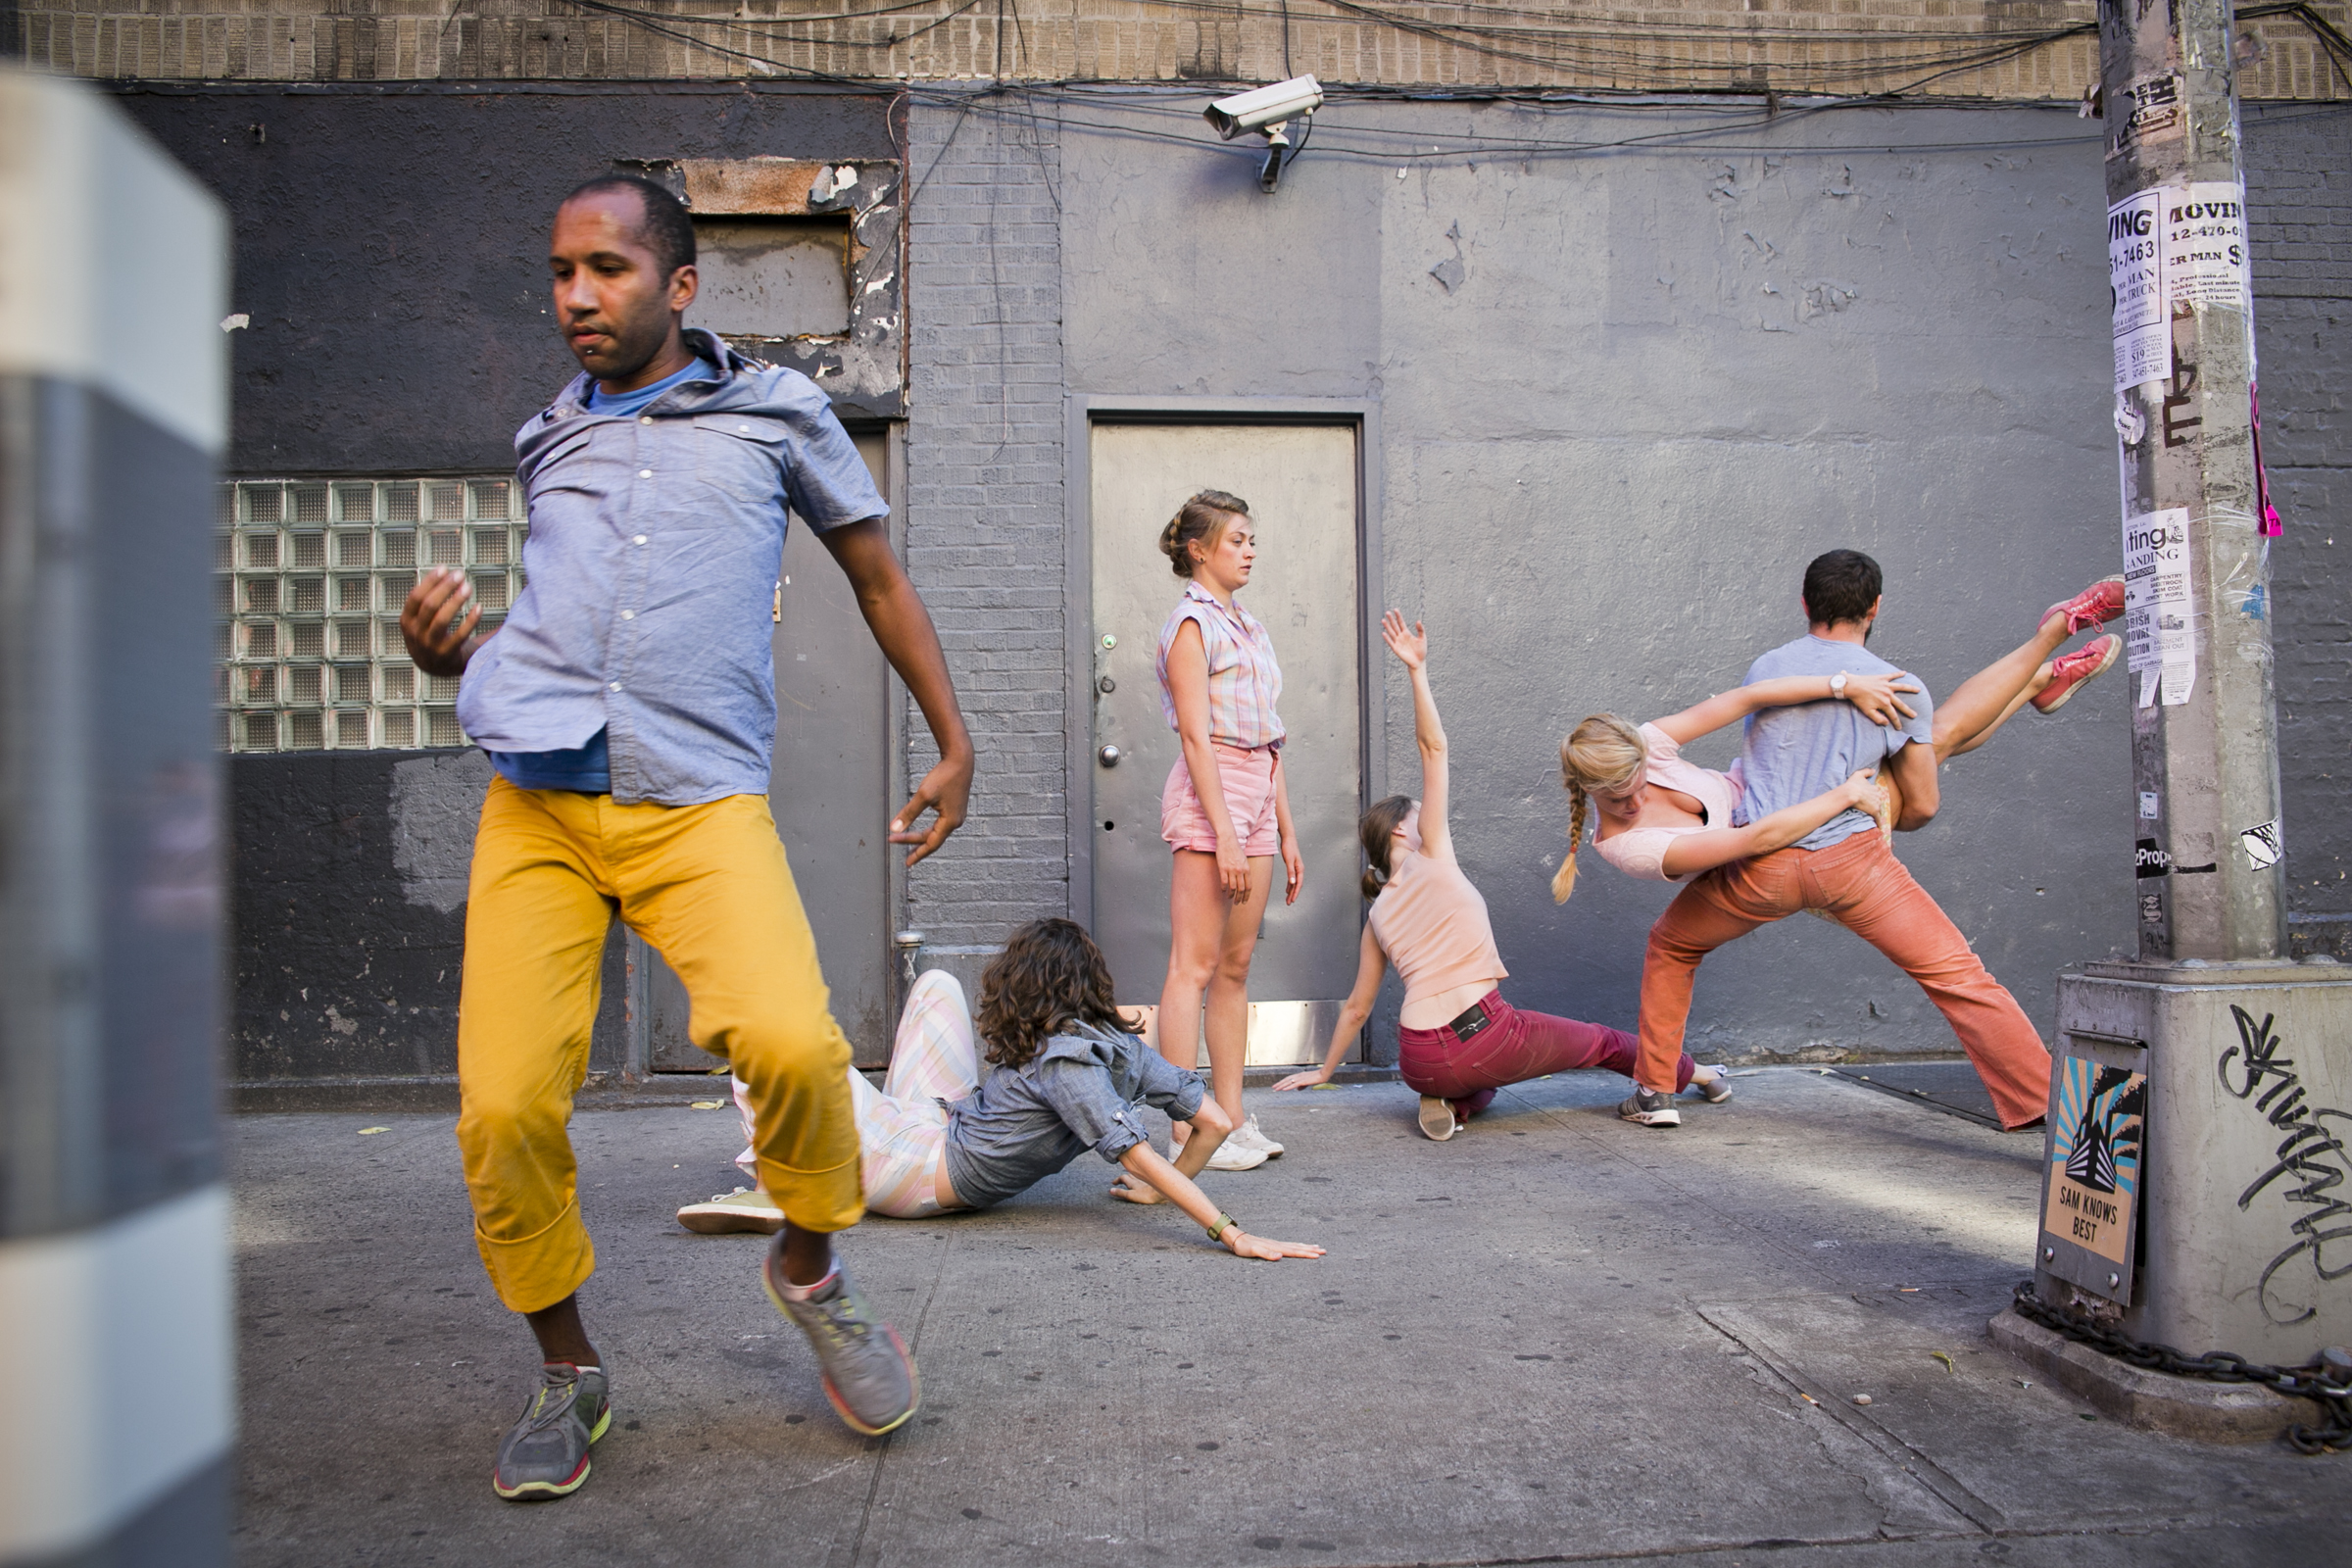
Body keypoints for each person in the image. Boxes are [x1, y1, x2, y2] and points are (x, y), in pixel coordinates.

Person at [402, 174, 975, 1501]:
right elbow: (560, 628)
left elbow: (877, 577)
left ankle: (810, 1270)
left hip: (697, 797)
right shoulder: (548, 437)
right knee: (503, 1108)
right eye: (561, 272)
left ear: (679, 285)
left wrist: (954, 740)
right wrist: (454, 656)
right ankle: (568, 1369)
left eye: (606, 269)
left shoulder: (778, 413)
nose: (577, 296)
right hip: (538, 801)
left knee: (796, 1049)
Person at [1557, 550, 2118, 1132]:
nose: (1632, 797)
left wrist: (1842, 691)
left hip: (1759, 876)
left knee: (1671, 947)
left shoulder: (1766, 669)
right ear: (1875, 608)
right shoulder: (1898, 686)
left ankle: (1654, 1091)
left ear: (1805, 604)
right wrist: (1860, 787)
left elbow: (1749, 724)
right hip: (1845, 859)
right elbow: (1923, 808)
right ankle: (2059, 1113)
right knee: (1959, 972)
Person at [1267, 612, 1731, 1141]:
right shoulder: (1431, 854)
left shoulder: (1378, 917)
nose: (1430, 817)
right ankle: (1704, 1075)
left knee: (1487, 1076)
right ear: (1399, 830)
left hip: (1418, 1060)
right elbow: (1434, 749)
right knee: (1601, 1041)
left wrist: (1324, 1071)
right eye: (1419, 812)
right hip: (1484, 1035)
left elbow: (1356, 1008)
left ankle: (1451, 1100)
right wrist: (1417, 670)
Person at [694, 921, 1325, 1257]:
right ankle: (840, 1142)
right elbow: (1214, 1121)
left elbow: (1137, 1155)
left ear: (1022, 985)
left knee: (771, 1038)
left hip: (913, 1170)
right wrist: (1162, 1191)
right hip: (938, 1122)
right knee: (936, 983)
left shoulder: (1066, 1064)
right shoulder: (1120, 1044)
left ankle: (780, 1186)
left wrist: (1230, 1233)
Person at [1151, 492, 1301, 1171]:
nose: (1249, 550)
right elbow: (1195, 737)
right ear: (1199, 550)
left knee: (1235, 967)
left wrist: (1284, 831)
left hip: (1257, 792)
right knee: (1193, 966)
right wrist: (1228, 837)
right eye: (1236, 540)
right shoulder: (1190, 625)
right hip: (1211, 794)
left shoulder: (1251, 626)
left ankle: (1232, 1121)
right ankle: (1186, 1130)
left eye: (1251, 539)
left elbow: (1270, 737)